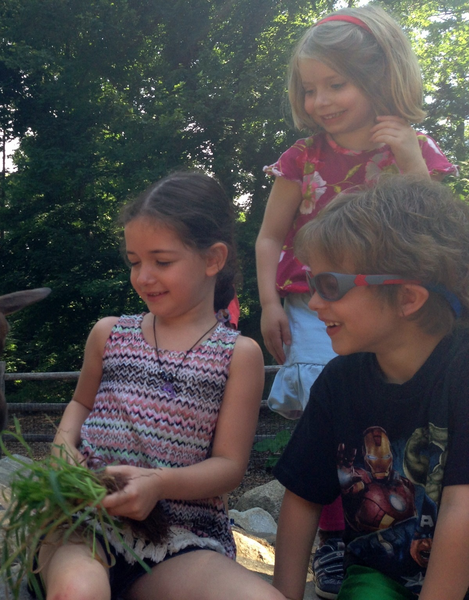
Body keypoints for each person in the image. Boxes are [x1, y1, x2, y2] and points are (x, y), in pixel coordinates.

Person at [254, 6, 457, 597]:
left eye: (335, 84)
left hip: (399, 307)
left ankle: (420, 525)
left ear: (379, 78)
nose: (320, 100)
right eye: (309, 88)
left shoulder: (411, 148)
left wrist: (412, 159)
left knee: (412, 411)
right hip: (319, 299)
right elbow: (270, 234)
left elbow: (436, 233)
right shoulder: (303, 156)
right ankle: (338, 543)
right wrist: (268, 302)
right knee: (335, 399)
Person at [35, 172, 285, 600]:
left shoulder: (239, 354)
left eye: (161, 261)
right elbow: (80, 403)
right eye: (135, 261)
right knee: (79, 592)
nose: (143, 276)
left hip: (179, 537)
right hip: (85, 521)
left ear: (213, 259)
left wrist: (158, 484)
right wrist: (62, 448)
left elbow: (228, 466)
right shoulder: (109, 333)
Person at [271, 175, 469, 600]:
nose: (315, 303)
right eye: (312, 283)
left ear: (408, 298)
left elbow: (461, 510)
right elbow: (303, 495)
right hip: (381, 576)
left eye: (330, 286)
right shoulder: (339, 381)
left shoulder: (462, 371)